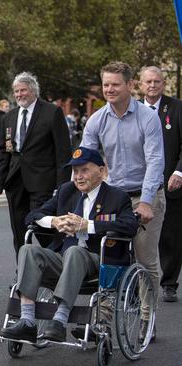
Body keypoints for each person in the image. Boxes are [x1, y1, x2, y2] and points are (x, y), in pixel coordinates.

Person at [0, 147, 139, 343]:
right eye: (75, 171)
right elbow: (32, 216)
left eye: (84, 170)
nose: (79, 177)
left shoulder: (117, 196)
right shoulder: (67, 191)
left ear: (102, 170)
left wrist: (87, 225)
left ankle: (59, 320)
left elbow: (130, 226)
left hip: (99, 260)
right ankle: (27, 321)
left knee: (75, 251)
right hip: (64, 259)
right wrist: (54, 221)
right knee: (28, 250)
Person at [81, 61, 165, 340]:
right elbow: (85, 161)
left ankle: (146, 319)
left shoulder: (147, 117)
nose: (109, 89)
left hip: (146, 194)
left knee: (144, 257)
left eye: (116, 84)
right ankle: (102, 321)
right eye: (106, 84)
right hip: (114, 197)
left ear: (130, 85)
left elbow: (155, 161)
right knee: (108, 254)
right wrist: (77, 188)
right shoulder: (97, 120)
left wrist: (147, 201)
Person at [0, 72, 72, 257]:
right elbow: (5, 150)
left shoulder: (52, 112)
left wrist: (63, 186)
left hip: (43, 181)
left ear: (33, 91)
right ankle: (22, 270)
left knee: (42, 227)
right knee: (19, 231)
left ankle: (56, 263)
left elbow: (63, 151)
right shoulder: (9, 117)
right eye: (16, 91)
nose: (19, 94)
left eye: (23, 90)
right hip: (15, 181)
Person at [139, 66, 182, 303]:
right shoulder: (133, 109)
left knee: (171, 237)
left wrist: (179, 172)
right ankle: (138, 280)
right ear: (140, 84)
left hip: (170, 183)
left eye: (157, 81)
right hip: (139, 184)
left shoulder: (176, 108)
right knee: (139, 235)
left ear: (163, 84)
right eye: (148, 82)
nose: (152, 85)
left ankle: (169, 283)